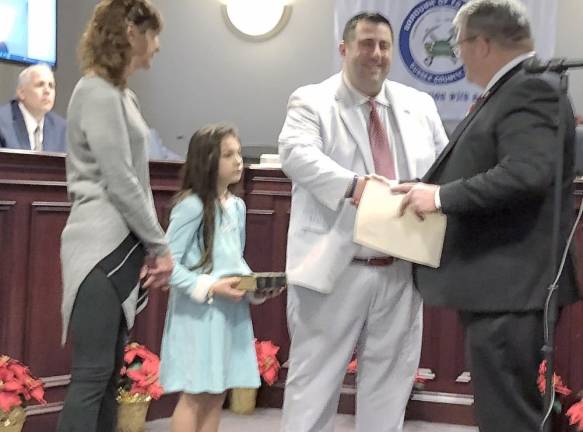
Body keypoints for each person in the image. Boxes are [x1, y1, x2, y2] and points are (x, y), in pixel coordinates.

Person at [394, 1, 581, 431]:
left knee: (508, 415)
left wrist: (440, 197)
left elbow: (526, 173)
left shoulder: (530, 88)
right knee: (504, 408)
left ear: (480, 43)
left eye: (458, 45)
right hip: (503, 283)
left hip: (512, 284)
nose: (457, 55)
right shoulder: (516, 88)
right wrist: (428, 188)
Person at [278, 12, 448, 432]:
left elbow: (447, 166)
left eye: (384, 46)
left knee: (390, 390)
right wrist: (355, 187)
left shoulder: (419, 105)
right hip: (335, 270)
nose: (376, 54)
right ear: (344, 49)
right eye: (366, 44)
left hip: (401, 269)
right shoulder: (311, 100)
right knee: (313, 389)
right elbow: (296, 155)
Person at [58, 1, 173, 431]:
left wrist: (149, 243)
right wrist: (159, 245)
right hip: (98, 249)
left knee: (107, 377)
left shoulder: (121, 95)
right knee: (91, 376)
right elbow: (120, 179)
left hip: (119, 247)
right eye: (153, 34)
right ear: (130, 31)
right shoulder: (96, 92)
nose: (158, 47)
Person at [160, 124, 276, 432]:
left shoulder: (236, 206)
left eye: (239, 153)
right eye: (228, 155)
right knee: (196, 394)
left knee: (216, 393)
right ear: (207, 160)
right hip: (199, 315)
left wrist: (256, 286)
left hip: (229, 313)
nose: (239, 161)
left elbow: (233, 260)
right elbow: (168, 266)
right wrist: (211, 286)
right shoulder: (191, 206)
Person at [0, 63, 66, 152]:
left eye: (51, 86)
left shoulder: (61, 128)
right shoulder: (3, 122)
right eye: (40, 84)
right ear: (21, 92)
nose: (47, 91)